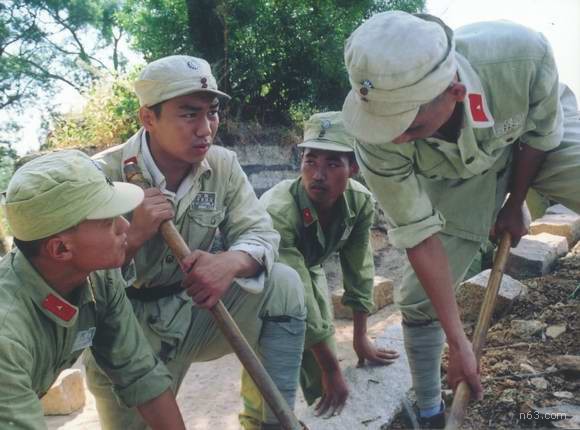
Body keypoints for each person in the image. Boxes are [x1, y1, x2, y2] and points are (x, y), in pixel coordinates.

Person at [341, 11, 580, 428]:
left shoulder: (522, 55)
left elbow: (541, 136)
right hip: (460, 176)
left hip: (536, 139)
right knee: (420, 298)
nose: (395, 138)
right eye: (385, 126)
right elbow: (420, 236)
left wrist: (514, 202)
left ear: (453, 92)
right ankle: (431, 414)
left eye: (409, 126)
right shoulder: (376, 140)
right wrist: (459, 342)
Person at [84, 55, 307, 430]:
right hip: (125, 331)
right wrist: (134, 237)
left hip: (194, 312)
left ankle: (270, 423)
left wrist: (229, 263)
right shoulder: (100, 175)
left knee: (283, 284)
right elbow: (81, 281)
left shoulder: (222, 165)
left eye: (212, 113)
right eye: (189, 115)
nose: (205, 129)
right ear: (148, 118)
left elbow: (261, 233)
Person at [0, 150, 186, 430]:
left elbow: (141, 376)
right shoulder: (7, 335)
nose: (125, 226)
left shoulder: (100, 279)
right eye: (108, 221)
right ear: (60, 249)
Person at [240, 111, 400, 424]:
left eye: (333, 164)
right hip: (261, 277)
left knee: (322, 356)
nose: (318, 174)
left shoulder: (359, 203)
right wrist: (332, 368)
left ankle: (323, 418)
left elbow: (359, 270)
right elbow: (294, 292)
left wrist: (360, 338)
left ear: (353, 168)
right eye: (310, 161)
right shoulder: (279, 212)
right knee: (270, 368)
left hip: (306, 266)